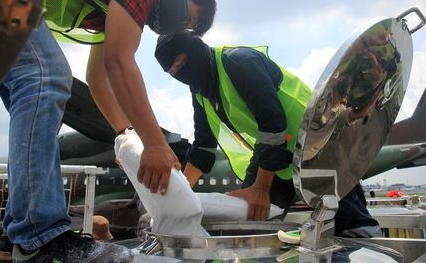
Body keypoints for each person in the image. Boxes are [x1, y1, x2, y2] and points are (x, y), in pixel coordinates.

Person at [0, 0, 216, 261]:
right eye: (190, 20)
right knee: (46, 76)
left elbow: (99, 79)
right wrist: (155, 144)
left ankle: (19, 235)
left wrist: (127, 139)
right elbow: (119, 62)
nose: (182, 28)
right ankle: (38, 238)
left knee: (33, 82)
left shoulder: (106, 7)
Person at [154, 32, 381, 237]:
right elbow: (203, 148)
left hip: (316, 142)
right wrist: (177, 196)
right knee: (248, 227)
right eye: (173, 72)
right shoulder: (201, 91)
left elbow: (273, 123)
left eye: (182, 63)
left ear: (196, 49)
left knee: (353, 225)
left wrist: (261, 188)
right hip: (276, 154)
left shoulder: (238, 62)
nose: (181, 74)